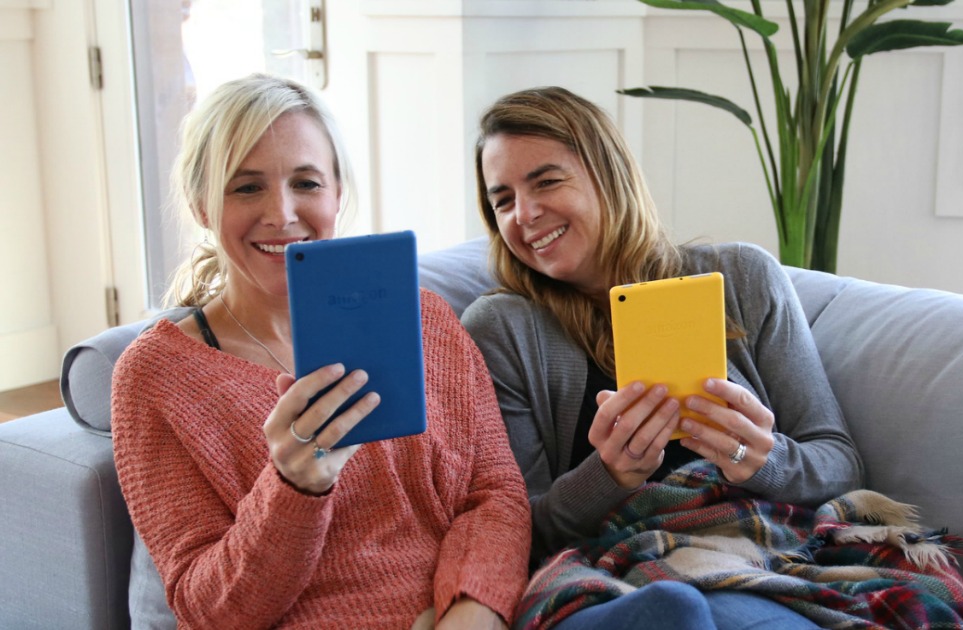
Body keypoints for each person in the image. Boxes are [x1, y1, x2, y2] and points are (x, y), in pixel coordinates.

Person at [111, 74, 531, 629]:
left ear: (337, 193)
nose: (281, 213)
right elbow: (209, 610)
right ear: (202, 206)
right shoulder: (154, 377)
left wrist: (471, 609)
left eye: (306, 183)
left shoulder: (424, 318)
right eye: (245, 187)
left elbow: (496, 494)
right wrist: (293, 486)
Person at [461, 87, 864, 628]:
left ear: (609, 174)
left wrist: (763, 460)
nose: (525, 214)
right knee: (674, 610)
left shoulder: (741, 277)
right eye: (502, 199)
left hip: (752, 546)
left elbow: (839, 460)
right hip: (611, 564)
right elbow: (516, 527)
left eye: (546, 181)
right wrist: (609, 474)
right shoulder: (502, 328)